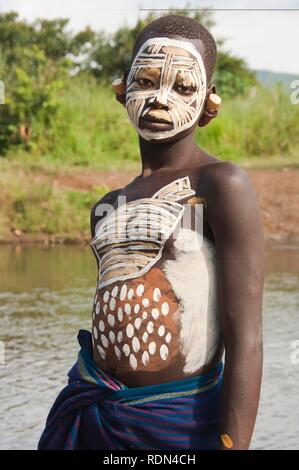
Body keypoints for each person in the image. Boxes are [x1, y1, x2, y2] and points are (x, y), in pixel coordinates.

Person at [38, 15, 264, 451]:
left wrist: (231, 445)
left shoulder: (218, 185)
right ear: (122, 90)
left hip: (179, 422)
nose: (160, 99)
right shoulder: (109, 204)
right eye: (145, 80)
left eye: (182, 86)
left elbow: (248, 340)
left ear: (208, 103)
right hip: (97, 413)